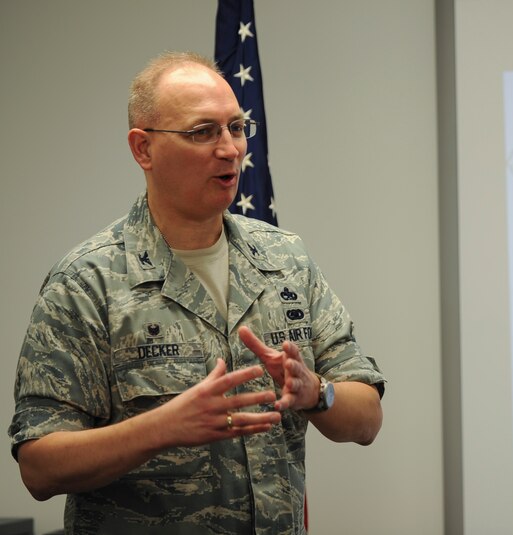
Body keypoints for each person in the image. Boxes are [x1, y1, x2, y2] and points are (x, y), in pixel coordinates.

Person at [8, 51, 385, 535]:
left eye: (236, 127)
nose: (229, 149)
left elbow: (367, 418)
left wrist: (317, 393)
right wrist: (161, 429)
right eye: (202, 132)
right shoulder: (87, 282)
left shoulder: (285, 259)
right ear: (143, 149)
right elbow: (40, 468)